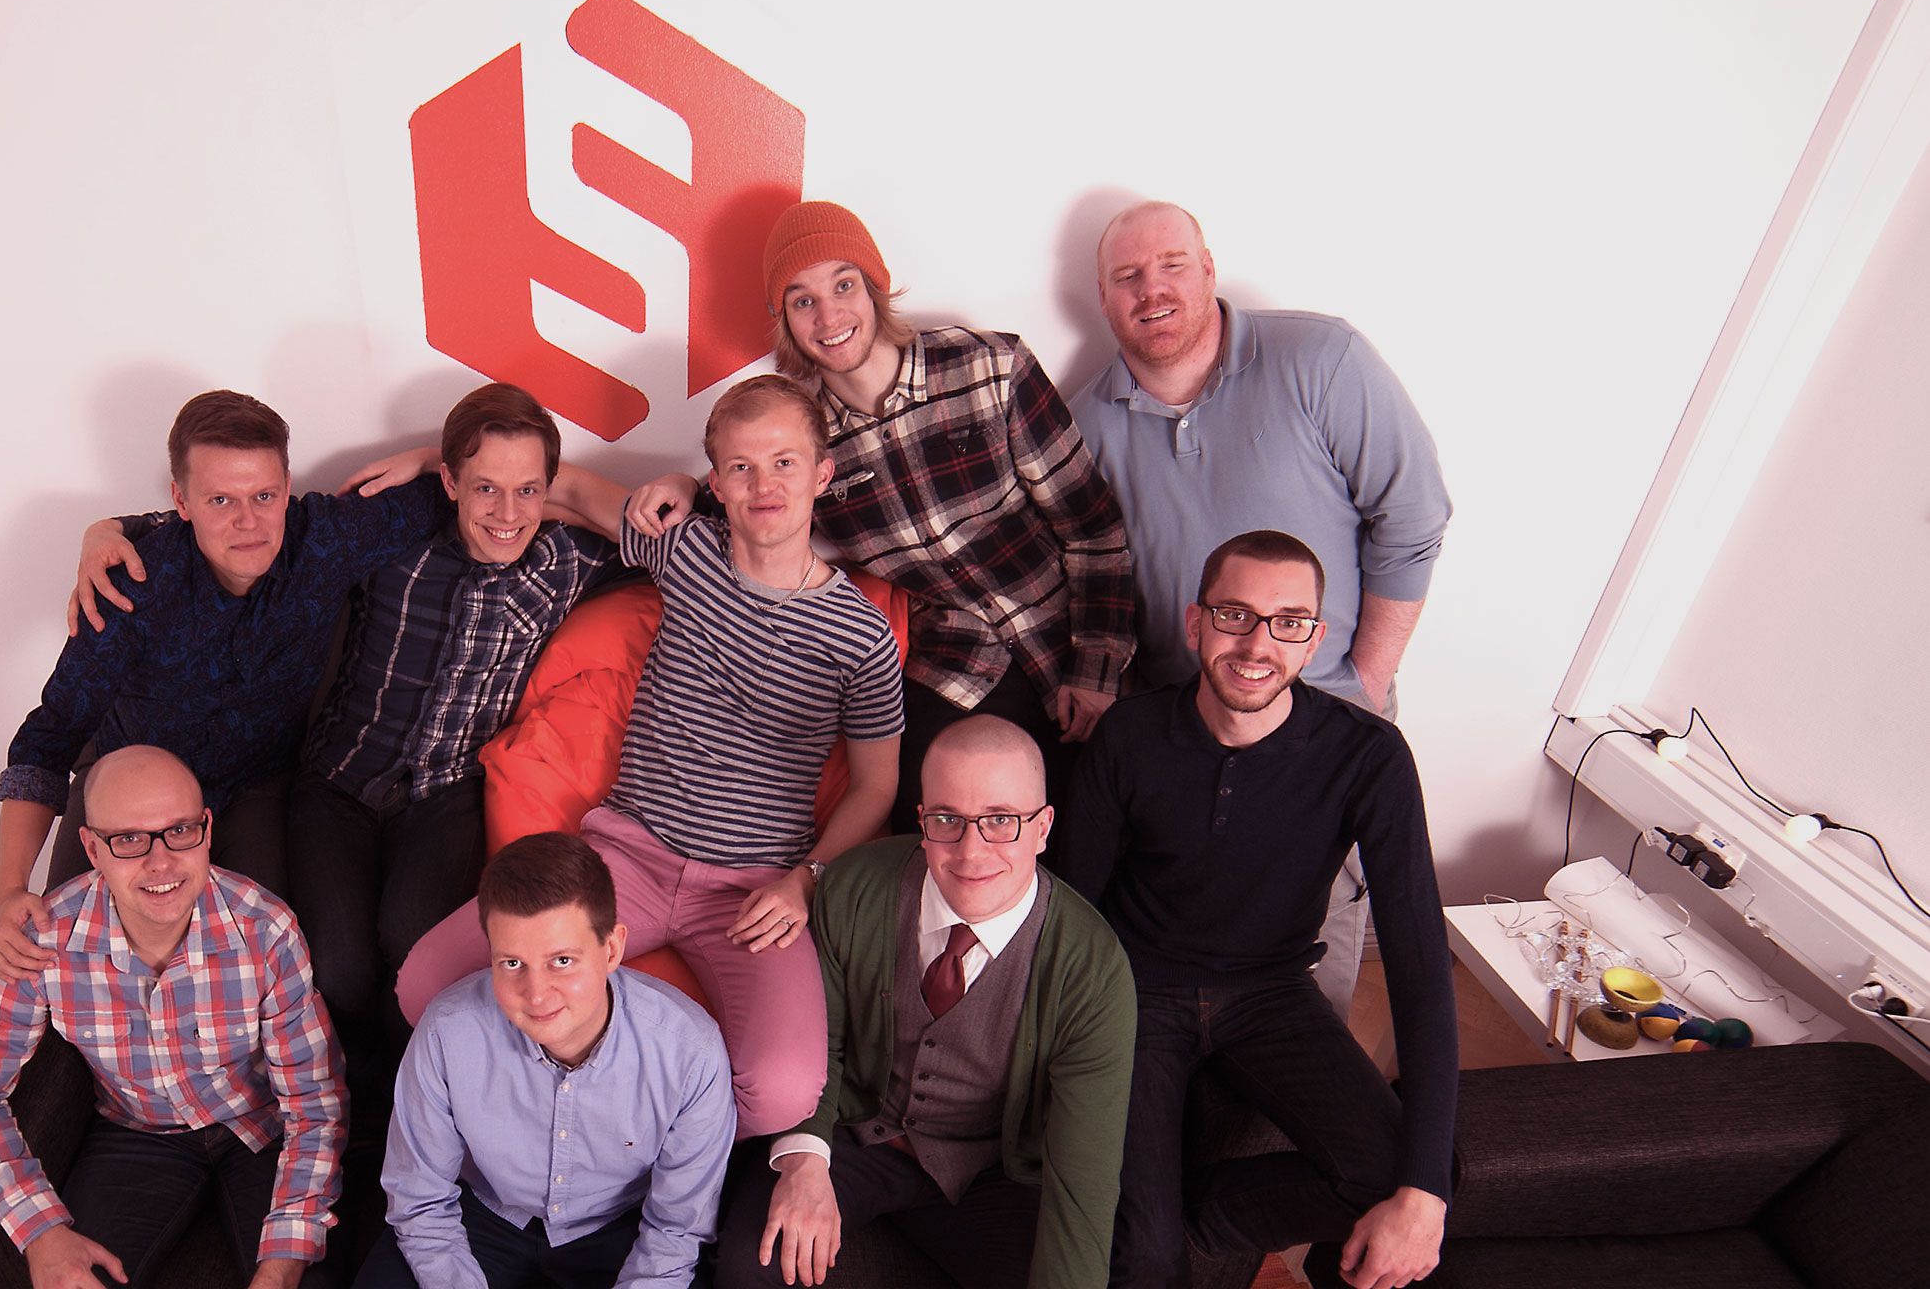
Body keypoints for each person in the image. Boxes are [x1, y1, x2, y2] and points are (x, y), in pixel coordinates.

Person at [396, 374, 906, 1139]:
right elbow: (562, 487)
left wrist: (807, 881)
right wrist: (426, 462)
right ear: (716, 484)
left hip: (751, 889)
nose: (764, 485)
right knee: (424, 984)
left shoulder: (860, 636)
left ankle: (622, 1138)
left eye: (784, 463)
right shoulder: (686, 550)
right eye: (741, 467)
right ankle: (562, 1124)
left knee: (783, 1093)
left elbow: (875, 786)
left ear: (822, 473)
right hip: (624, 858)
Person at [631, 201, 1137, 824]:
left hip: (1068, 638)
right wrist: (685, 482)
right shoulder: (807, 444)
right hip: (959, 665)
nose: (828, 317)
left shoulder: (991, 367)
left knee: (1094, 827)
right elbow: (749, 500)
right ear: (784, 321)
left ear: (874, 288)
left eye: (844, 286)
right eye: (802, 300)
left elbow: (1092, 529)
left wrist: (1097, 670)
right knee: (921, 826)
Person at [1068, 200, 1452, 1018]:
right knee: (1175, 964)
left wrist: (1364, 682)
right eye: (1127, 277)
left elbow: (1413, 514)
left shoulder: (1321, 358)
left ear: (1209, 270)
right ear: (1102, 298)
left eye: (1172, 266)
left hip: (1320, 717)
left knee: (1309, 965)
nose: (1152, 290)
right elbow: (1085, 578)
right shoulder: (1084, 424)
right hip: (1179, 731)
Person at [1060, 533, 1457, 1289]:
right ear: (1195, 623)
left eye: (1288, 622)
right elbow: (1071, 908)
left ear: (1315, 639)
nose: (1257, 644)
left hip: (1272, 993)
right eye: (1235, 614)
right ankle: (1149, 1225)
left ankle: (1181, 1215)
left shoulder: (1369, 756)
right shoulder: (1129, 734)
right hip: (1136, 991)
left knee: (1404, 1183)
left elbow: (1419, 967)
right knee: (1144, 1262)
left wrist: (1426, 1189)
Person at [0, 390, 449, 984]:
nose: (247, 522)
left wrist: (429, 456)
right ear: (180, 500)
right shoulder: (133, 585)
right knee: (59, 959)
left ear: (287, 487)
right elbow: (48, 739)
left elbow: (488, 484)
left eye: (264, 496)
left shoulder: (325, 540)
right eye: (220, 500)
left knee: (262, 963)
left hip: (253, 787)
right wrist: (9, 890)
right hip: (129, 781)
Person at [283, 383, 626, 1115]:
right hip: (340, 780)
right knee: (338, 968)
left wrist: (547, 488)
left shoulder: (567, 558)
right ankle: (350, 1103)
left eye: (527, 490)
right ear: (449, 482)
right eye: (485, 488)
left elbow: (670, 526)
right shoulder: (394, 534)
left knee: (416, 959)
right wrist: (115, 529)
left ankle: (407, 1107)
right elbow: (258, 526)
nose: (507, 514)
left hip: (446, 794)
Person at [720, 716, 1135, 1289]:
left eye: (1001, 820)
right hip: (854, 1136)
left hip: (989, 1170)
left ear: (1042, 828)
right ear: (922, 821)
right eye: (948, 819)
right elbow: (821, 1044)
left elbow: (1083, 1173)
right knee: (751, 1268)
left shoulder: (1093, 969)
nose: (971, 851)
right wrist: (804, 1160)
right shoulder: (853, 887)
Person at [0, 745, 345, 1289]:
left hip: (260, 1131)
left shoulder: (267, 931)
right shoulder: (42, 940)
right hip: (137, 1133)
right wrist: (40, 1230)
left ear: (207, 831)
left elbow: (315, 1104)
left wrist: (282, 1268)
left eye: (179, 831)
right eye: (128, 839)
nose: (160, 862)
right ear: (92, 849)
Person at [359, 832, 738, 1289]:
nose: (536, 995)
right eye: (512, 964)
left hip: (620, 1228)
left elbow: (675, 1231)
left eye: (561, 961)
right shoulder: (446, 1031)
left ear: (612, 949)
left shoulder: (691, 1052)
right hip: (481, 1214)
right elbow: (420, 1201)